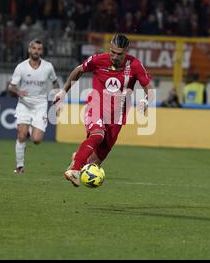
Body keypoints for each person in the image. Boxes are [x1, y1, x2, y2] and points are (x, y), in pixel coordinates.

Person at [53, 34, 154, 187]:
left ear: (126, 51)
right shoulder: (98, 60)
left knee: (94, 162)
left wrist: (146, 101)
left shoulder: (135, 65)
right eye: (112, 52)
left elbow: (150, 90)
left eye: (119, 54)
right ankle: (74, 170)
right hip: (96, 107)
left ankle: (79, 159)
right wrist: (63, 92)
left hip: (117, 118)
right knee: (97, 135)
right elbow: (79, 70)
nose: (114, 56)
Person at [8, 39, 60, 174]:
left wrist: (58, 99)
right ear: (29, 50)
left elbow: (55, 83)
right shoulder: (21, 67)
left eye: (39, 49)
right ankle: (19, 167)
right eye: (34, 48)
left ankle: (30, 130)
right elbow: (11, 87)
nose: (36, 51)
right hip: (24, 104)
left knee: (36, 140)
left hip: (40, 105)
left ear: (41, 51)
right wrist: (18, 91)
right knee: (21, 135)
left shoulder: (48, 67)